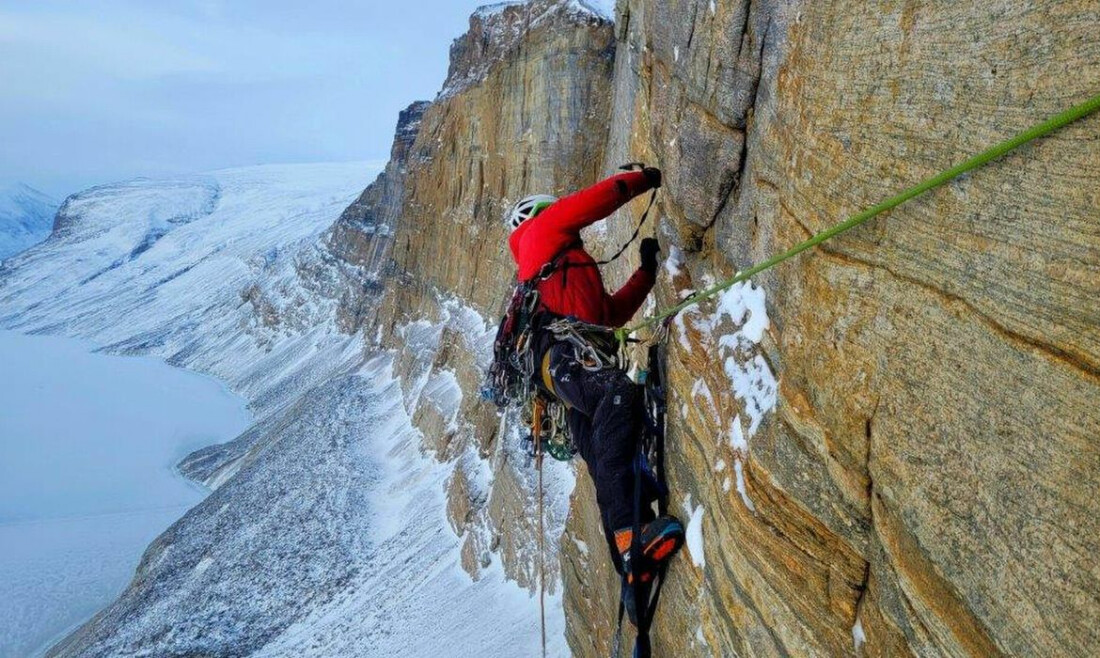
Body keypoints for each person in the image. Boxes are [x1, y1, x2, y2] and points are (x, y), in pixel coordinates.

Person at [505, 168, 684, 621]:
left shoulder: (561, 272)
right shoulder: (541, 233)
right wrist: (642, 179)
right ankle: (630, 536)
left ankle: (631, 570)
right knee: (619, 396)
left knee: (608, 453)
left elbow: (610, 314)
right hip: (563, 356)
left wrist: (645, 272)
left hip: (567, 367)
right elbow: (592, 202)